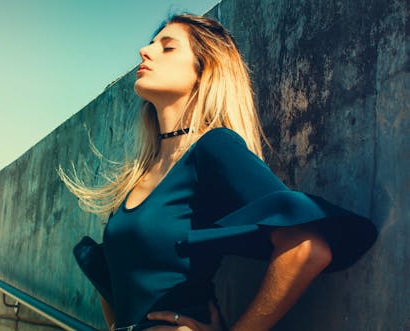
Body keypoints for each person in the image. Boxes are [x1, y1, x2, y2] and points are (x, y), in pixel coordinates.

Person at [59, 13, 377, 331]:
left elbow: (307, 247)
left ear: (204, 69)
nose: (145, 51)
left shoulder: (214, 146)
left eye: (167, 47)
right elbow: (115, 277)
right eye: (150, 44)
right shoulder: (139, 172)